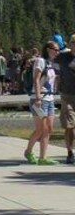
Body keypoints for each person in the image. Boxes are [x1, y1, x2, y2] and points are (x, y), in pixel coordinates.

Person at [24, 41, 60, 165]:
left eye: (58, 49)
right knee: (41, 129)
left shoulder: (51, 63)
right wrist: (38, 97)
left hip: (49, 99)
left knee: (48, 129)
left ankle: (42, 157)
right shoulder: (41, 61)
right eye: (55, 49)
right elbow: (36, 78)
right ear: (48, 49)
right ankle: (28, 151)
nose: (57, 51)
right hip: (39, 99)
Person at [54, 33, 75, 164]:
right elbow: (48, 59)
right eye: (73, 42)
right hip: (67, 95)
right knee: (70, 125)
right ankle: (69, 152)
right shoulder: (63, 57)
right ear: (70, 44)